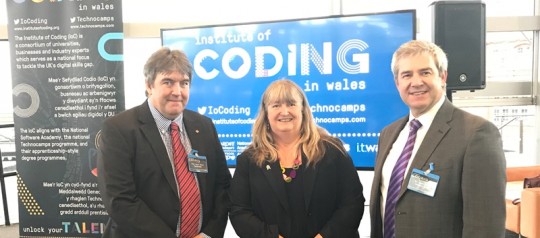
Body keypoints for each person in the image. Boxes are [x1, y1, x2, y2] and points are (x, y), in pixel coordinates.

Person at [369, 40, 506, 238]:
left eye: (425, 72)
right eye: (407, 75)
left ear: (442, 77)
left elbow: (485, 226)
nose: (416, 82)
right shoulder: (388, 134)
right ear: (397, 83)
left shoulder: (477, 134)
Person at [97, 47, 232, 238]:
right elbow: (120, 201)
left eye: (184, 83)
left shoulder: (204, 126)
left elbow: (222, 187)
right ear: (149, 85)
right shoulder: (119, 129)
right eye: (168, 82)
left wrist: (209, 234)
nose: (177, 91)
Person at [229, 79, 365, 238]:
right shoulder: (249, 160)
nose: (284, 111)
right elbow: (239, 211)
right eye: (276, 105)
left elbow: (352, 203)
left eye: (291, 104)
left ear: (303, 110)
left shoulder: (332, 151)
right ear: (266, 114)